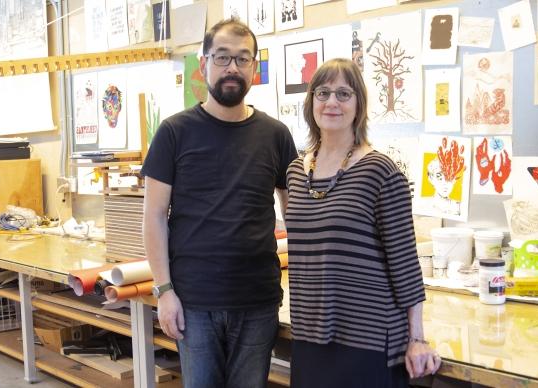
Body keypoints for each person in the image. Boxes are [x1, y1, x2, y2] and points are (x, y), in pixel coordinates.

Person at [141, 18, 297, 388]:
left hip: (257, 299)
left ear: (254, 68)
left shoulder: (275, 135)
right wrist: (164, 292)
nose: (232, 68)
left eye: (243, 59)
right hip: (194, 302)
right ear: (204, 63)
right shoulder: (174, 132)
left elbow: (296, 214)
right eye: (223, 57)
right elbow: (153, 216)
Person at [285, 58, 441, 387]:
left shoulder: (381, 172)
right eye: (323, 92)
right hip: (309, 334)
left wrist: (418, 337)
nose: (331, 102)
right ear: (311, 100)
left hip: (368, 339)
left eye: (344, 94)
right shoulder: (297, 173)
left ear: (359, 104)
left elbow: (405, 262)